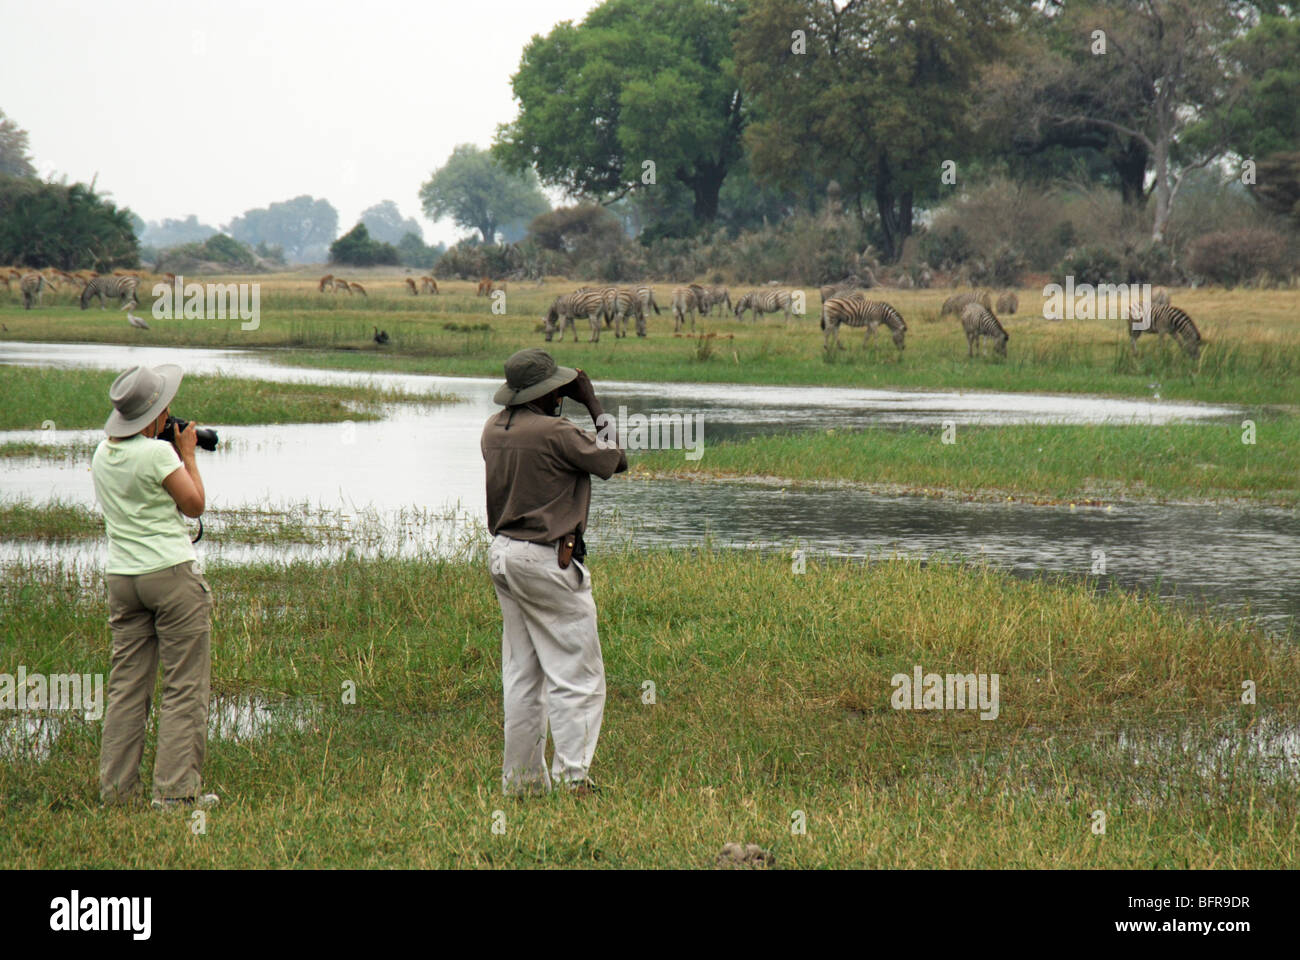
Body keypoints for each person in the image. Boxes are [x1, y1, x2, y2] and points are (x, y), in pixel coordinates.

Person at [481, 348, 626, 796]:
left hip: (504, 555)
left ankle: (522, 785)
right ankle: (574, 780)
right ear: (551, 392)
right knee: (578, 676)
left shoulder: (494, 428)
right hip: (545, 560)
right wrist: (592, 400)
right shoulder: (556, 432)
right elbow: (615, 460)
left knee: (525, 676)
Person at [91, 364, 217, 810]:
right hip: (170, 577)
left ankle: (117, 792)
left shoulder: (101, 454)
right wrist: (188, 455)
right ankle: (177, 793)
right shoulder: (159, 456)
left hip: (123, 580)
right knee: (184, 683)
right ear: (152, 415)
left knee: (127, 686)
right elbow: (194, 504)